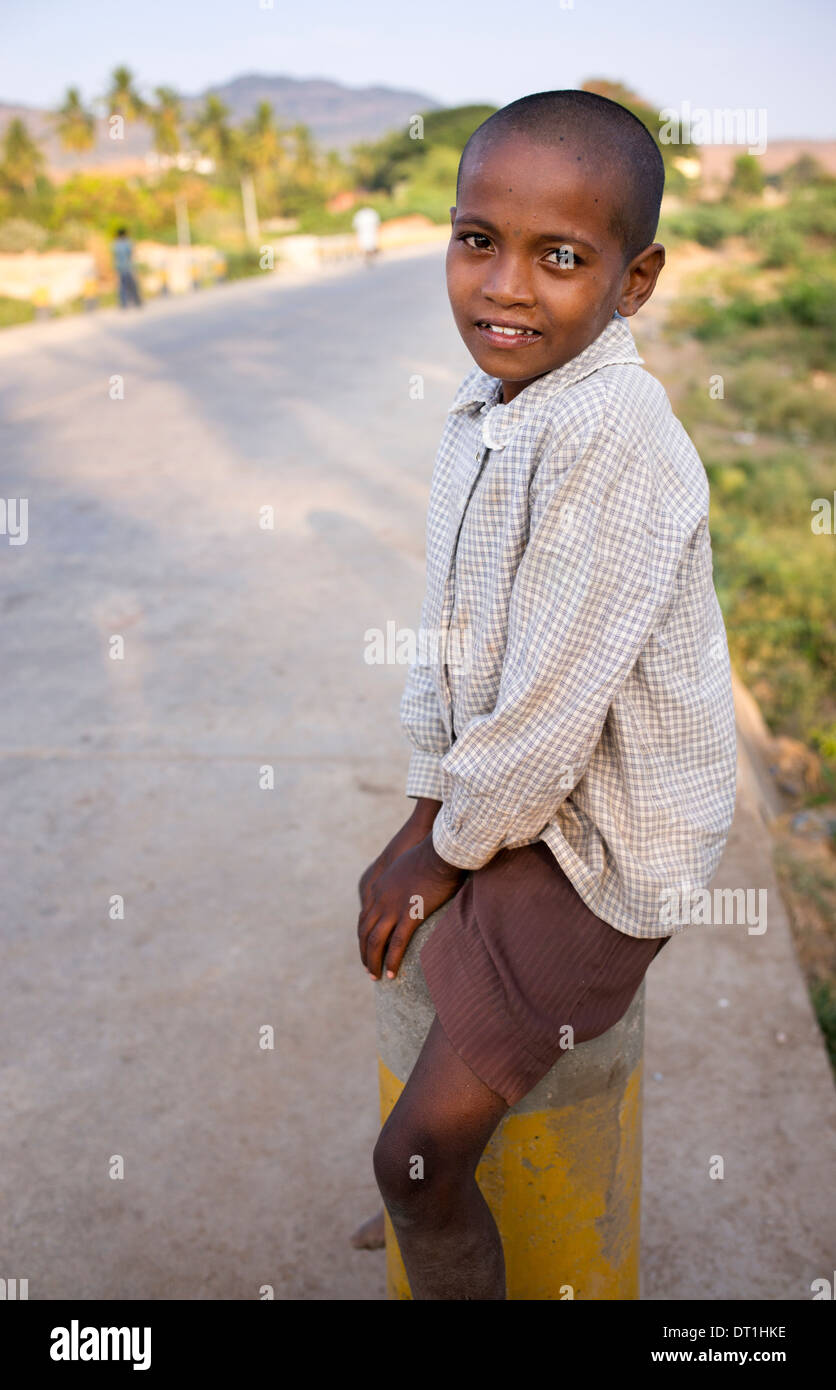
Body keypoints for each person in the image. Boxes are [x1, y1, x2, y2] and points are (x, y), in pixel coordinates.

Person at [354, 90, 738, 1298]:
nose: (505, 288)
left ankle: (431, 1205)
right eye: (479, 240)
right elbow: (452, 647)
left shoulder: (616, 439)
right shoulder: (484, 414)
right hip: (525, 795)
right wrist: (424, 814)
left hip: (608, 846)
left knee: (411, 1155)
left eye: (559, 257)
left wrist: (448, 842)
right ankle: (441, 1208)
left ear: (632, 283)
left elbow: (548, 718)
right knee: (401, 943)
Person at [111, 227, 142, 308]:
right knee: (132, 285)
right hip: (128, 266)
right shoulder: (128, 243)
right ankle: (137, 301)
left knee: (122, 286)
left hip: (120, 267)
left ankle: (123, 303)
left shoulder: (115, 244)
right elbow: (131, 254)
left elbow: (114, 256)